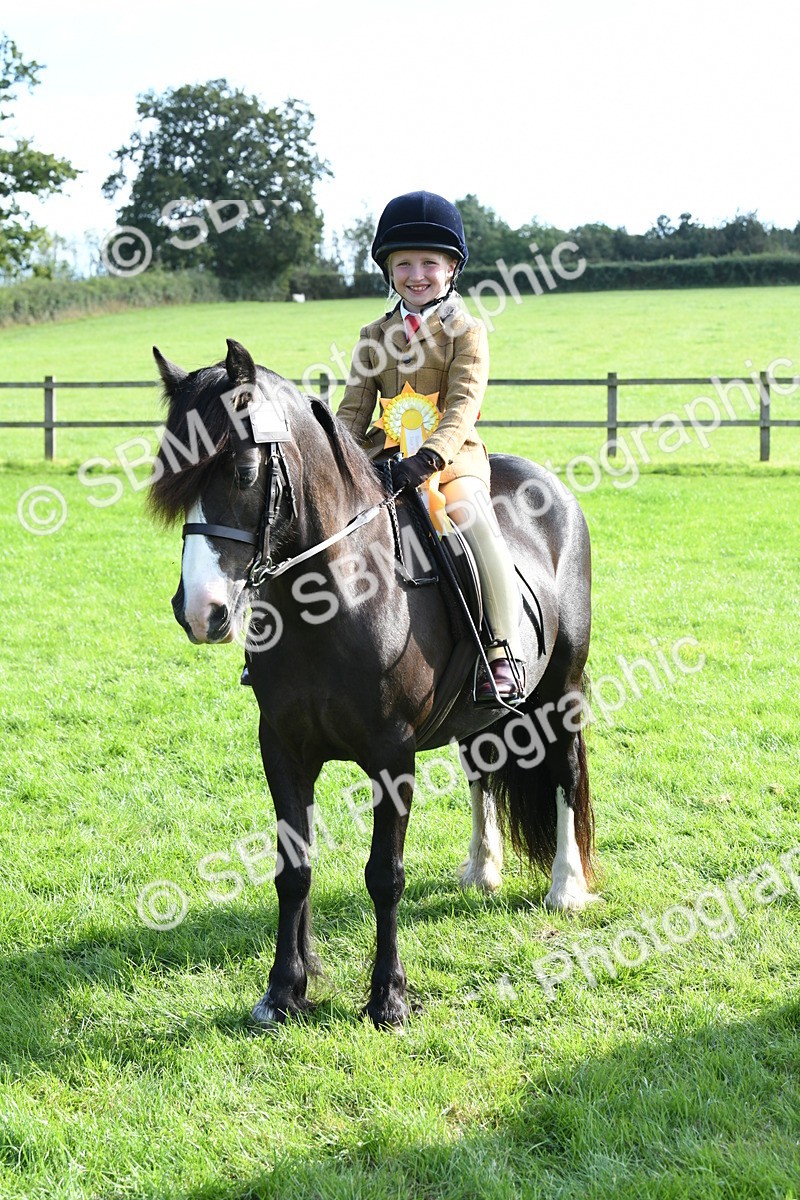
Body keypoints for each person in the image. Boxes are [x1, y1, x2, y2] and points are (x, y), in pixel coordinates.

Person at [336, 191, 524, 702]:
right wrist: (336, 458)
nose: (416, 275)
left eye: (428, 264)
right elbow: (353, 409)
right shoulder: (373, 335)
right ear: (388, 270)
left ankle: (499, 648)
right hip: (385, 462)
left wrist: (430, 457)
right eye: (404, 264)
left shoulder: (467, 331)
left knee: (471, 519)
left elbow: (463, 405)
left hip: (453, 459)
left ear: (451, 268)